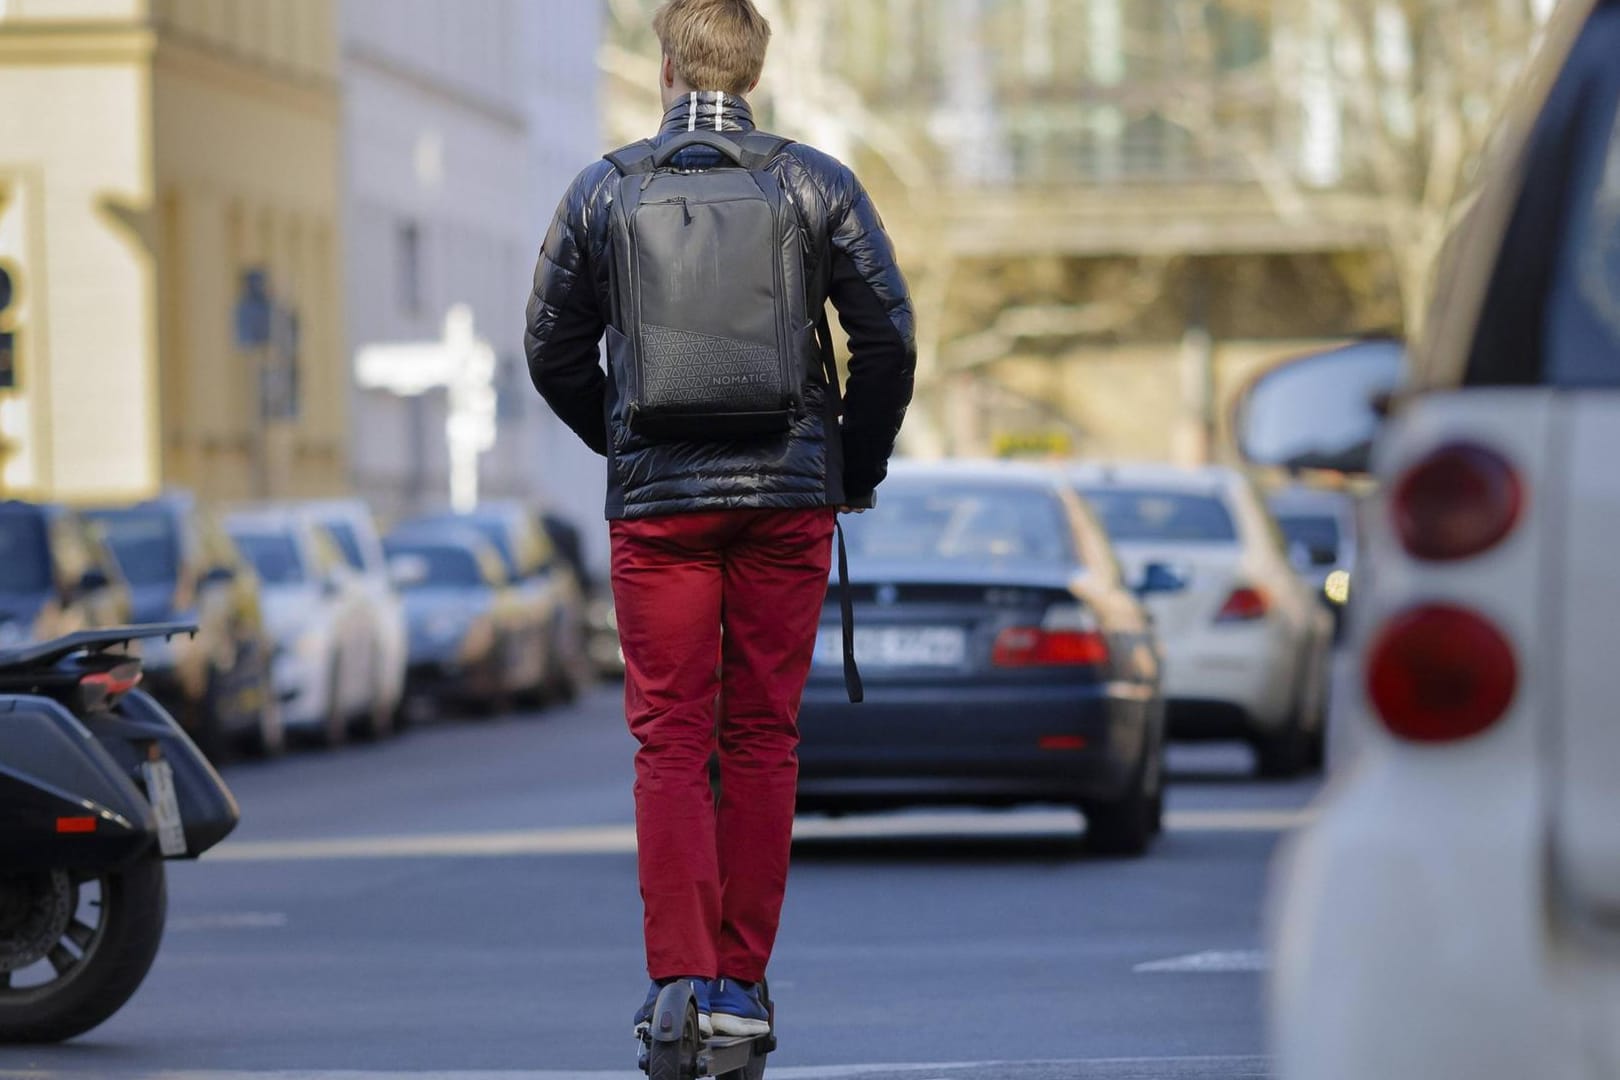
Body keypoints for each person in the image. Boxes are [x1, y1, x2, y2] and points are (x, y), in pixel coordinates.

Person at [524, 0, 915, 1041]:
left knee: (669, 738)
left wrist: (628, 444)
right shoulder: (817, 183)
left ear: (663, 68)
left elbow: (549, 350)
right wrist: (849, 466)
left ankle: (681, 986)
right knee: (758, 737)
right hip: (788, 500)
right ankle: (741, 986)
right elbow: (889, 342)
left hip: (662, 513)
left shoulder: (602, 190)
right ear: (756, 71)